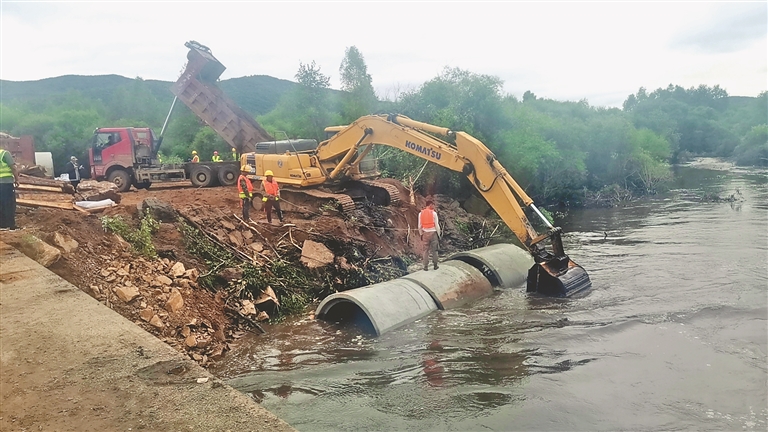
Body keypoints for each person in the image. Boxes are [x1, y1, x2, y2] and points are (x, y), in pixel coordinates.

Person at [0, 148, 20, 231]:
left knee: (1, 204)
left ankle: (2, 225)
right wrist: (17, 179)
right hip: (6, 183)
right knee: (9, 204)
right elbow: (13, 167)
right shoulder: (4, 153)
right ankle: (10, 225)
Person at [418, 200, 441, 271]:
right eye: (433, 205)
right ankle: (435, 265)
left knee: (425, 251)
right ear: (430, 205)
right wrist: (439, 234)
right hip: (433, 233)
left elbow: (419, 226)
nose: (434, 206)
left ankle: (425, 266)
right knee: (435, 250)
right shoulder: (434, 214)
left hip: (425, 233)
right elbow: (437, 225)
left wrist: (421, 234)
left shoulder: (420, 214)